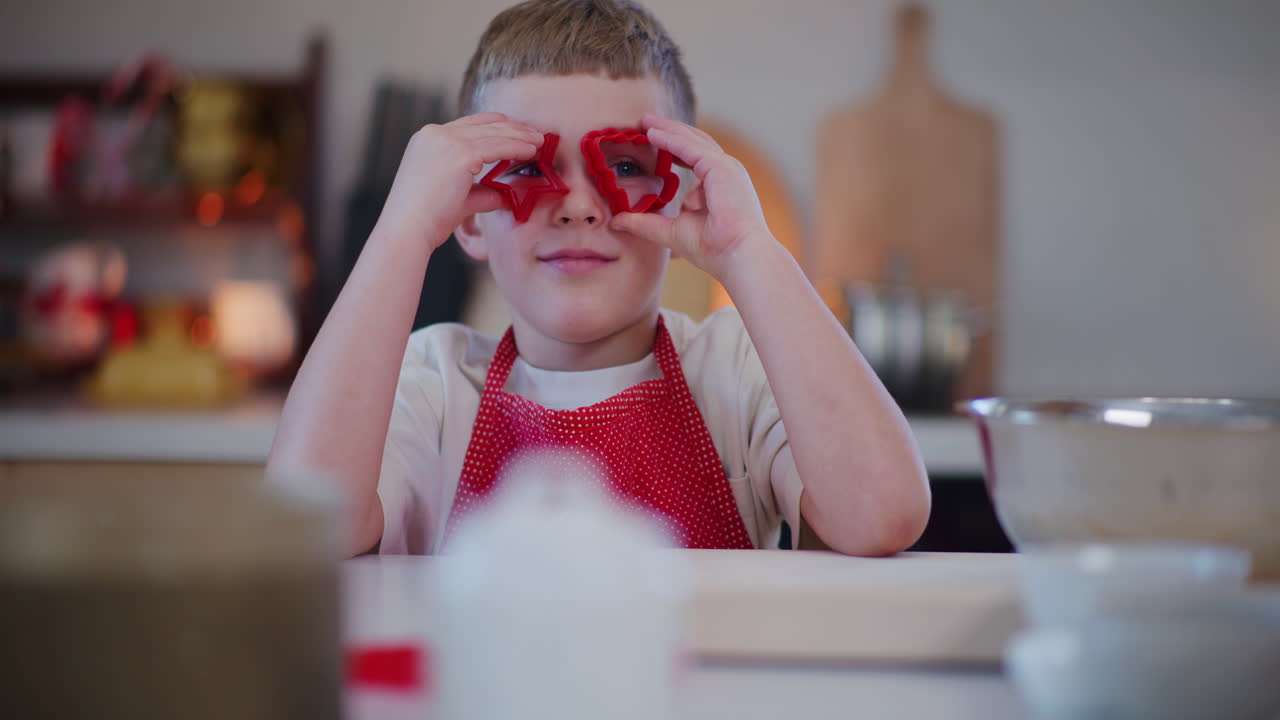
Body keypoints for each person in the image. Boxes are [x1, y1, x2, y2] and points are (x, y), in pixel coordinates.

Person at [268, 0, 931, 556]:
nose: (580, 207)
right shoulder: (431, 385)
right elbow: (306, 524)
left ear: (678, 199)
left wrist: (748, 249)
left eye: (628, 166)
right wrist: (403, 230)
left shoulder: (735, 371)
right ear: (467, 220)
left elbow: (882, 514)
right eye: (528, 168)